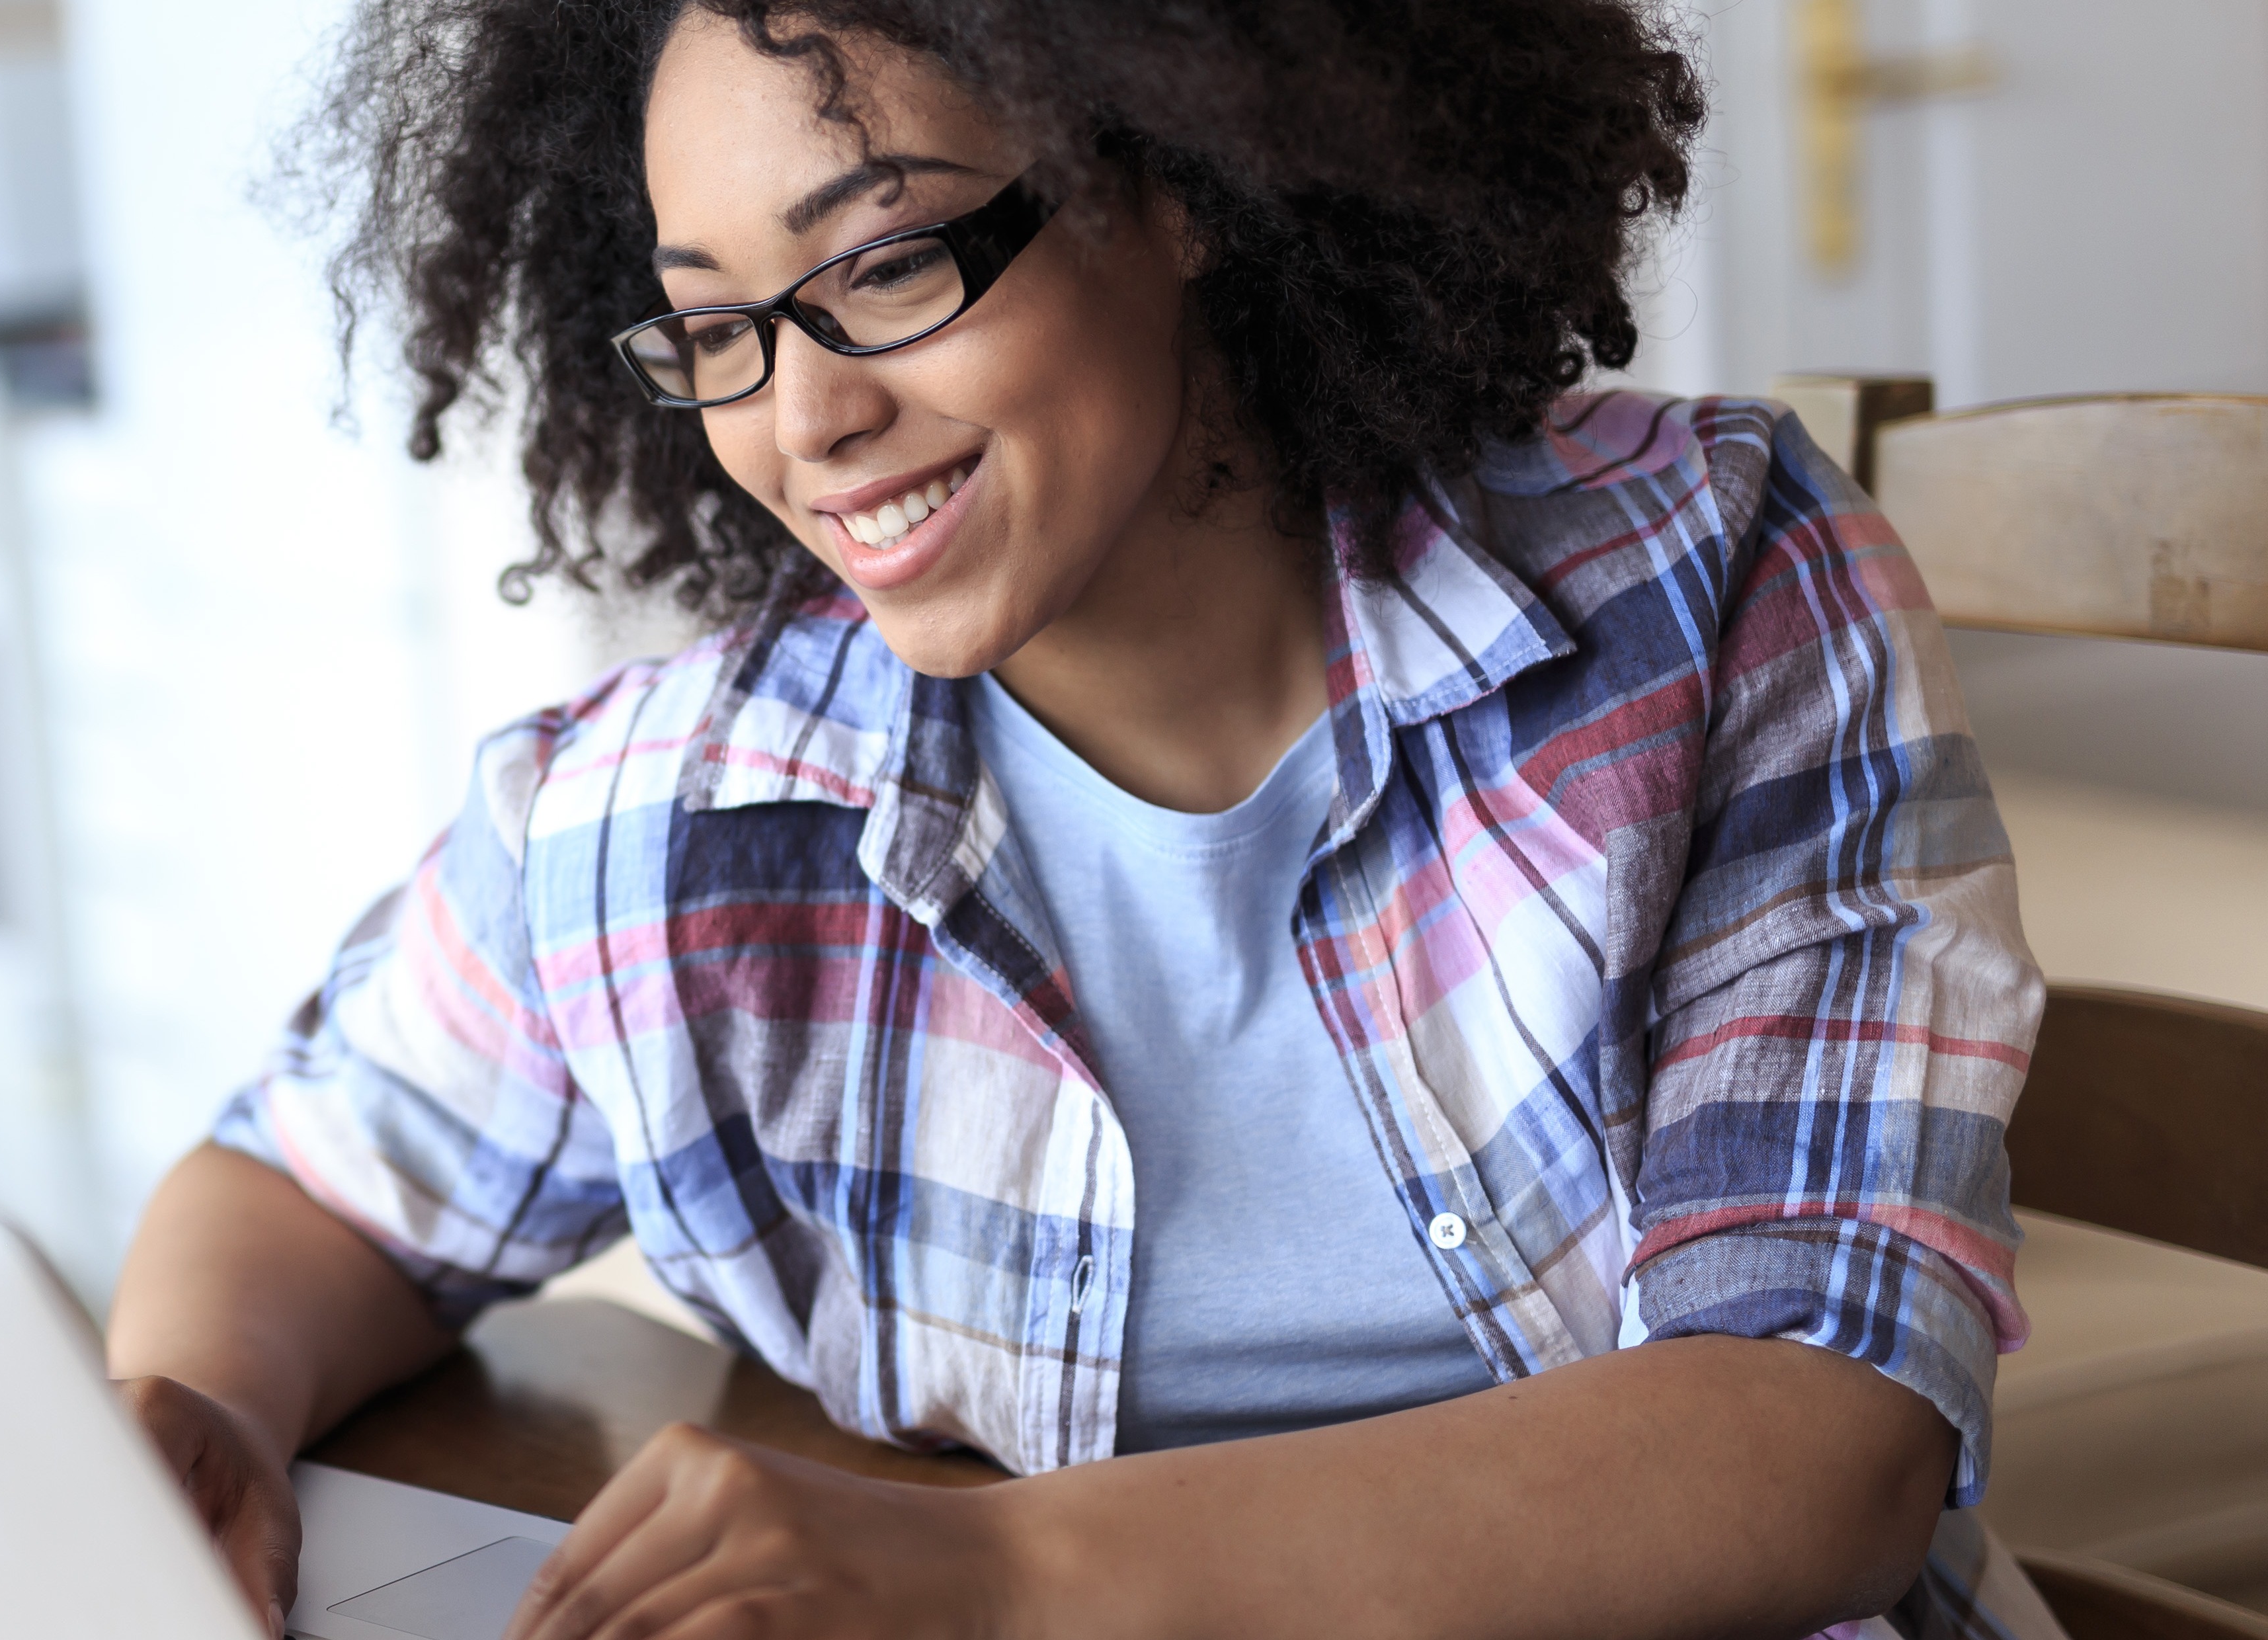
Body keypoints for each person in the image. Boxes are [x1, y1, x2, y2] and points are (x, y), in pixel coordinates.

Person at [105, 3, 2050, 1637]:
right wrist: (199, 1407)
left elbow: (1827, 1432)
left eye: (883, 262)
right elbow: (303, 1187)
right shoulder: (665, 818)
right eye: (716, 326)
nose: (806, 419)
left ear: (1182, 177)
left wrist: (993, 1576)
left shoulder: (1703, 584)